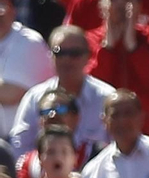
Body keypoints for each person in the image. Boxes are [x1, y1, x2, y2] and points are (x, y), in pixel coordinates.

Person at [11, 24, 115, 153]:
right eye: (60, 52)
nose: (67, 59)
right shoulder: (34, 97)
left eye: (74, 53)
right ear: (50, 55)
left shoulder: (106, 98)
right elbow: (20, 148)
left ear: (88, 56)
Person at [85, 0, 149, 127]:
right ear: (102, 6)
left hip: (146, 124)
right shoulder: (89, 40)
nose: (120, 4)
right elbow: (91, 85)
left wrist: (133, 47)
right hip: (103, 124)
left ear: (139, 6)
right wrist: (107, 47)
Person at [0, 0, 54, 136]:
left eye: (3, 5)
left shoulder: (29, 41)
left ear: (14, 9)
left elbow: (10, 93)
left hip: (19, 141)